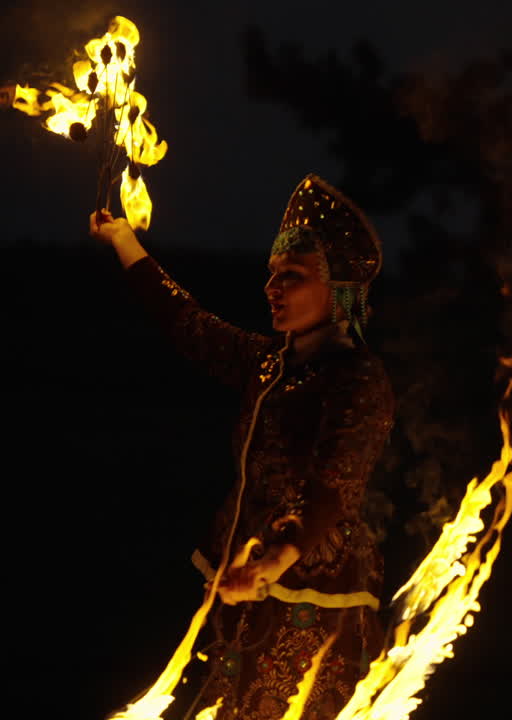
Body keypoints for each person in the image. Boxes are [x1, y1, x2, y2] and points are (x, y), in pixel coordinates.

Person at [89, 175, 394, 720]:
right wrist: (123, 240)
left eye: (292, 278)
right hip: (236, 583)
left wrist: (276, 558)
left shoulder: (358, 377)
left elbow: (335, 481)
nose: (272, 289)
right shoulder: (267, 362)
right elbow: (187, 323)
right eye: (272, 275)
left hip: (312, 595)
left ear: (339, 288)